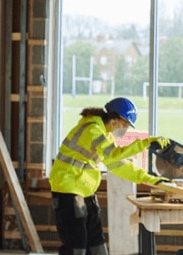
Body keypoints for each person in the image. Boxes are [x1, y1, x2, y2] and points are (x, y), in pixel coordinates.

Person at [50, 96, 171, 255]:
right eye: (125, 124)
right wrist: (145, 143)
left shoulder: (105, 135)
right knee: (76, 243)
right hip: (68, 189)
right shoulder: (92, 130)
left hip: (83, 189)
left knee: (96, 241)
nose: (125, 128)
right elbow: (114, 155)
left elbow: (118, 167)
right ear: (114, 119)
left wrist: (153, 180)